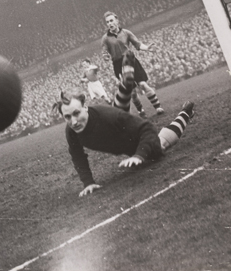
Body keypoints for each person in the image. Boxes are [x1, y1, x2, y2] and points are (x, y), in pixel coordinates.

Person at [54, 52, 195, 197]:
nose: (74, 121)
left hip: (132, 137)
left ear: (85, 107)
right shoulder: (71, 131)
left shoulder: (106, 116)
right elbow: (77, 155)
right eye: (67, 117)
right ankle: (126, 82)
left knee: (159, 145)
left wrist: (139, 155)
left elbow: (147, 128)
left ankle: (186, 112)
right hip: (116, 127)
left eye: (76, 113)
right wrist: (88, 183)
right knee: (119, 108)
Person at [101, 11, 164, 117]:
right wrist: (106, 56)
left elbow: (137, 44)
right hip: (118, 65)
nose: (109, 23)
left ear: (117, 20)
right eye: (107, 22)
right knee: (133, 92)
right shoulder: (105, 38)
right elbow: (104, 52)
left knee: (143, 84)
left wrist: (147, 48)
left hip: (131, 60)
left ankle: (158, 107)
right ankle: (141, 111)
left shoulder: (126, 33)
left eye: (111, 20)